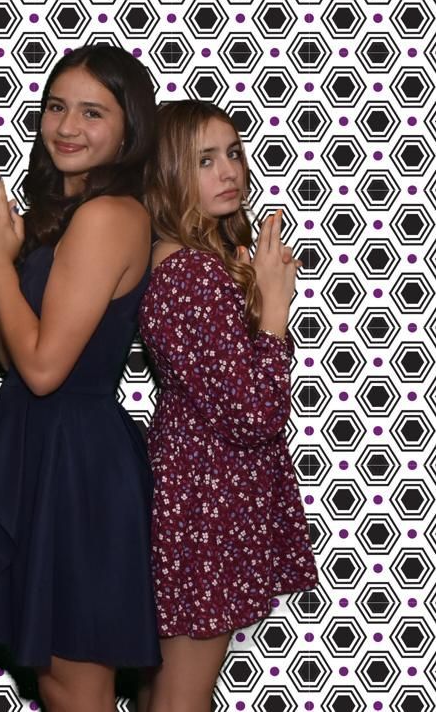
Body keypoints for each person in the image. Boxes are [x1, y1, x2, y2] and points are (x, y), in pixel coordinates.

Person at [0, 44, 161, 710]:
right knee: (57, 682)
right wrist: (7, 260)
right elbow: (11, 354)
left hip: (78, 464)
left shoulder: (108, 216)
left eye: (93, 113)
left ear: (129, 129)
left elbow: (43, 370)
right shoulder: (68, 215)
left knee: (75, 683)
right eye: (56, 107)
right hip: (45, 449)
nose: (67, 126)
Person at [137, 100, 318, 711]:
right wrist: (273, 306)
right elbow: (256, 415)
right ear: (166, 175)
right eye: (204, 160)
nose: (228, 171)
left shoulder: (186, 262)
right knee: (184, 695)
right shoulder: (193, 272)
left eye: (233, 154)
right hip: (208, 500)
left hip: (200, 490)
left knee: (174, 688)